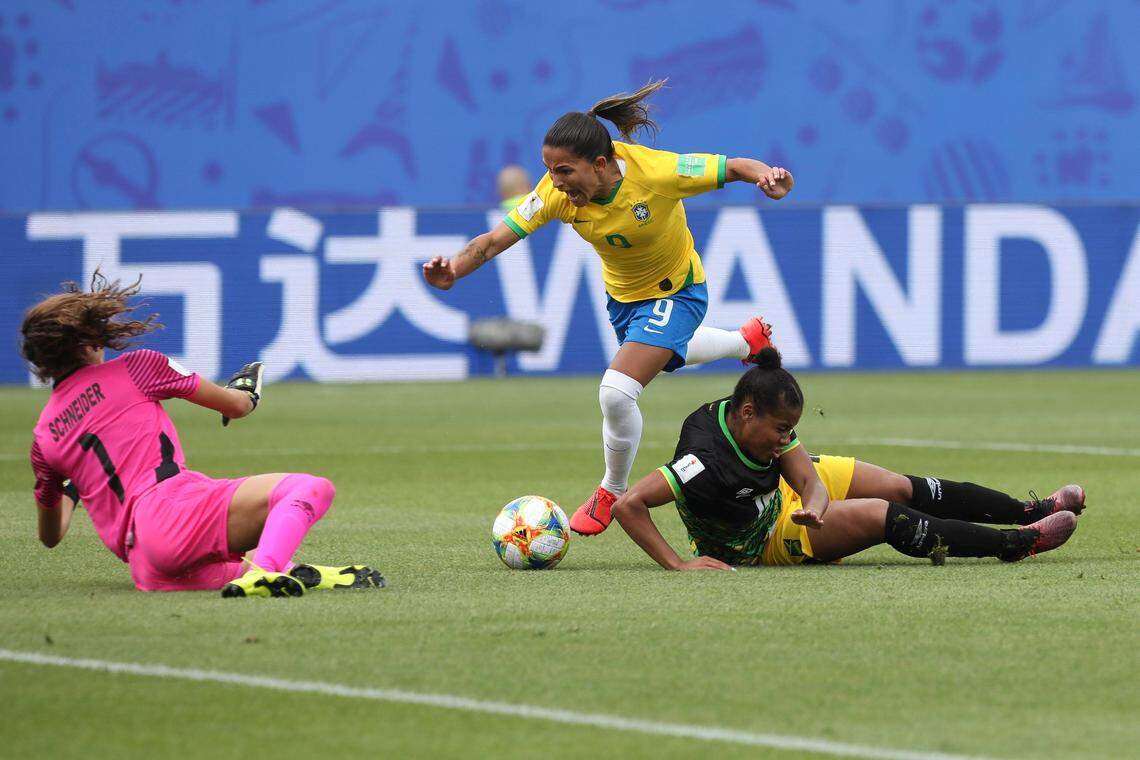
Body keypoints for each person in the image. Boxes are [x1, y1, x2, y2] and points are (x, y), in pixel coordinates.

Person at [423, 79, 793, 535]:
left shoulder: (656, 173)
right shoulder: (557, 193)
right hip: (623, 300)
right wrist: (455, 269)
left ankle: (611, 491)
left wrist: (766, 176)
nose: (557, 183)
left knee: (616, 391)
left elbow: (734, 166)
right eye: (550, 171)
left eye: (565, 171)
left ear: (600, 164)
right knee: (669, 358)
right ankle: (745, 340)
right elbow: (495, 240)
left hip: (677, 291)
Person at [22, 274, 385, 597]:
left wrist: (73, 483)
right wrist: (246, 391)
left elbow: (51, 536)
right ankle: (266, 573)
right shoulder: (138, 366)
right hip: (173, 508)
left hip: (146, 564)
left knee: (243, 566)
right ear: (88, 339)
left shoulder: (45, 437)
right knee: (309, 488)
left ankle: (289, 573)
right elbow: (236, 406)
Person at [611, 348, 1083, 570]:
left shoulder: (759, 424)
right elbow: (627, 505)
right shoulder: (703, 461)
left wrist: (815, 501)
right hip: (763, 539)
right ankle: (1016, 543)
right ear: (749, 414)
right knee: (883, 515)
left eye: (791, 429)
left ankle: (1029, 510)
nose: (787, 438)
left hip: (789, 500)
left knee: (899, 485)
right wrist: (678, 564)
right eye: (781, 430)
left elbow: (805, 477)